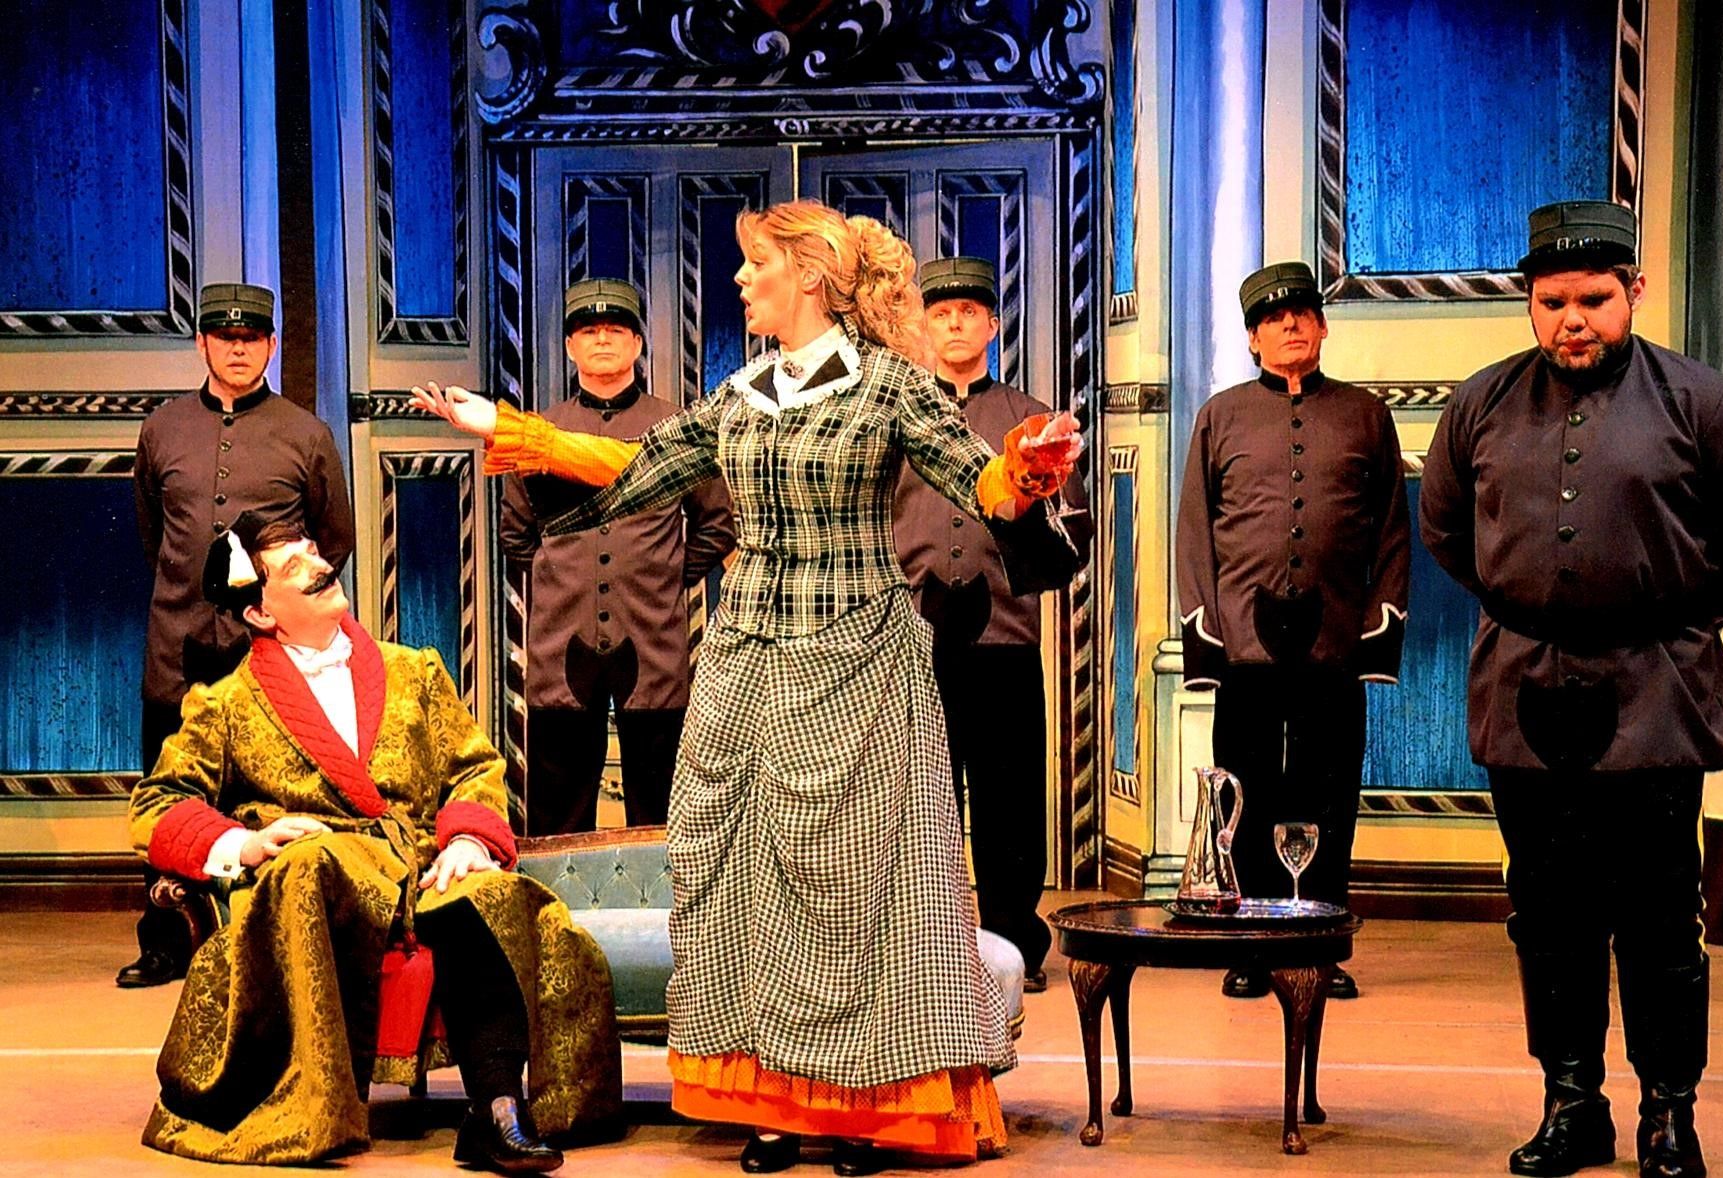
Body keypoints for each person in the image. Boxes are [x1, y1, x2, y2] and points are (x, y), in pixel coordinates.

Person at [413, 199, 1081, 1175]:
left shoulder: (890, 386)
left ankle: (865, 1104)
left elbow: (976, 480)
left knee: (856, 887)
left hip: (858, 658)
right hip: (745, 663)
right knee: (742, 883)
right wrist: (513, 430)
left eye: (754, 263)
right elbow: (643, 467)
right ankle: (774, 1102)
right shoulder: (742, 393)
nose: (737, 279)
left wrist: (1023, 469)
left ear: (807, 273)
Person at [128, 511, 622, 1172]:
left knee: (488, 897)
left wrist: (468, 840)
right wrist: (243, 842)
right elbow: (157, 803)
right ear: (262, 613)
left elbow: (474, 768)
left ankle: (497, 1111)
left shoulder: (413, 671)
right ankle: (316, 1106)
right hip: (326, 878)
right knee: (316, 864)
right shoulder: (225, 705)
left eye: (311, 549)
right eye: (294, 566)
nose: (318, 564)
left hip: (422, 865)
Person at [1421, 200, 1723, 1178]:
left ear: (1633, 291)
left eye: (1595, 299)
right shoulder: (1477, 405)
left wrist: (1670, 614)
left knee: (1661, 916)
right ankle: (1572, 1102)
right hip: (1523, 691)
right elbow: (1446, 531)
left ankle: (1667, 1112)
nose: (1573, 319)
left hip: (1658, 693)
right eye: (1553, 300)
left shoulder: (1705, 404)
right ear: (1529, 301)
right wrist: (1534, 600)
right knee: (1548, 913)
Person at [1174, 261, 1410, 1001]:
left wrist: (1378, 629)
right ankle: (1250, 946)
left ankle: (1318, 947)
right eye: (1273, 319)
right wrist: (1205, 637)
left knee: (1328, 796)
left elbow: (1392, 532)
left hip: (1334, 642)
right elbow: (1193, 534)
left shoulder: (1367, 415)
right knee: (1243, 798)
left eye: (1302, 313)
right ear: (1253, 339)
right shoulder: (1220, 416)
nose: (1290, 326)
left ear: (1323, 325)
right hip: (1244, 643)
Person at [122, 282, 354, 989]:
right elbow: (153, 534)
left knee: (272, 795)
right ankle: (167, 939)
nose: (238, 349)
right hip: (178, 641)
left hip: (268, 651)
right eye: (225, 337)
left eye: (252, 338)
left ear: (271, 345)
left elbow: (333, 540)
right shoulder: (162, 429)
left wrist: (272, 604)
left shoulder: (305, 433)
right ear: (202, 343)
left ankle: (268, 944)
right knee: (173, 790)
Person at [892, 256, 1091, 994]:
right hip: (909, 637)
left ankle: (1013, 942)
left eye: (968, 313)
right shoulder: (896, 416)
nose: (954, 324)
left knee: (1009, 799)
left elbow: (1075, 532)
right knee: (919, 799)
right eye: (941, 313)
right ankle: (926, 946)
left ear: (992, 325)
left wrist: (1027, 511)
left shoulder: (1032, 420)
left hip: (1005, 635)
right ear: (923, 325)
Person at [501, 278, 735, 833]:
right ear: (570, 346)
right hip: (561, 643)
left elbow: (717, 523)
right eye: (588, 330)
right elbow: (516, 534)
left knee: (661, 807)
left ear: (637, 344)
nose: (602, 339)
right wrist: (561, 576)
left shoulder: (677, 430)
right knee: (559, 811)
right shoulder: (539, 434)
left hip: (652, 642)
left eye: (615, 329)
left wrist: (665, 575)